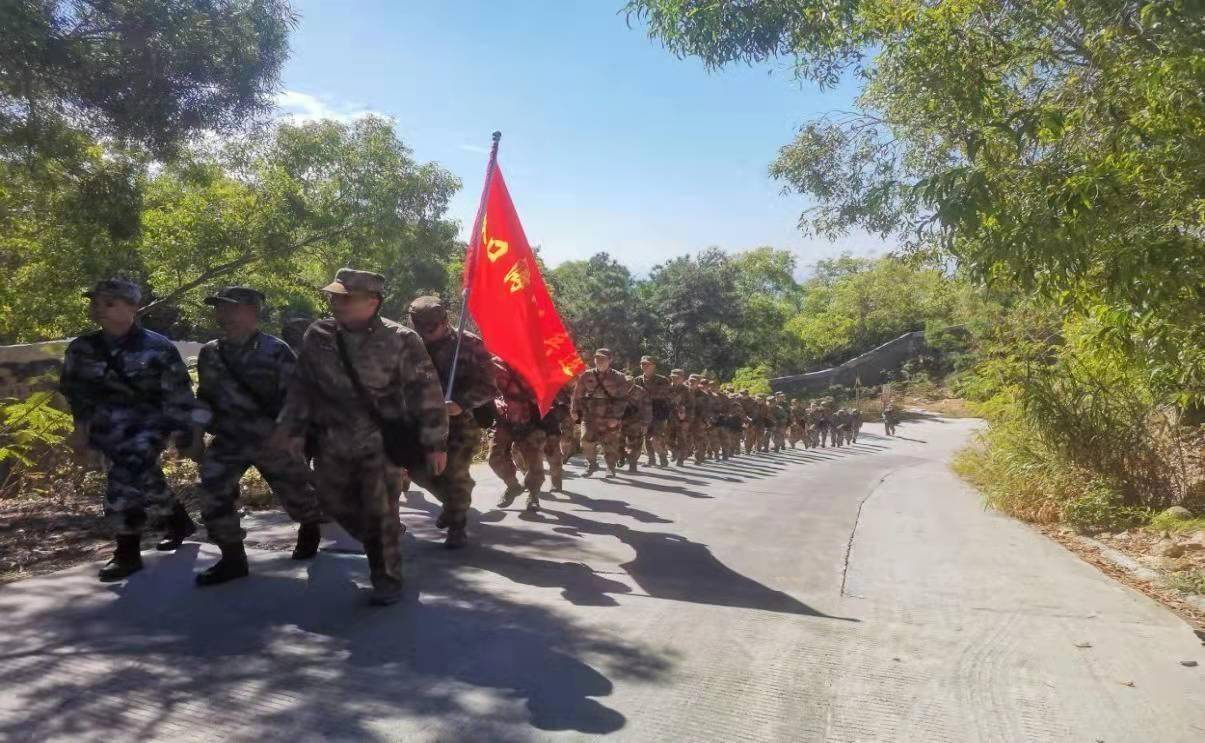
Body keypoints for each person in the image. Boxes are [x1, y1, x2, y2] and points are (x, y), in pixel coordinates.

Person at [274, 268, 448, 606]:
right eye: (333, 296)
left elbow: (426, 392)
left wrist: (435, 442)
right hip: (331, 440)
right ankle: (379, 538)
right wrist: (290, 428)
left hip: (380, 441)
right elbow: (301, 386)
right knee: (330, 501)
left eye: (345, 297)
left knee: (380, 510)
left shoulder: (401, 339)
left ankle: (387, 577)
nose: (335, 302)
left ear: (372, 302)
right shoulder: (319, 334)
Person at [60, 278, 210, 582]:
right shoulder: (82, 348)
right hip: (107, 430)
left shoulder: (157, 346)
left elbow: (179, 395)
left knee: (123, 480)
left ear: (133, 307)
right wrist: (80, 432)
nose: (98, 308)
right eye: (95, 302)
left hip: (148, 429)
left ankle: (127, 553)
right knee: (146, 477)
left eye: (109, 303)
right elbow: (78, 396)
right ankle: (178, 520)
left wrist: (189, 438)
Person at [192, 287, 324, 586]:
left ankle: (310, 524)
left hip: (273, 440)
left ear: (253, 311)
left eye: (231, 308)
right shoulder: (210, 352)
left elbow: (297, 398)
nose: (223, 315)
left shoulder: (275, 350)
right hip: (229, 439)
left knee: (298, 496)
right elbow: (203, 398)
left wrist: (288, 435)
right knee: (213, 491)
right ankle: (233, 558)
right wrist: (196, 435)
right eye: (220, 309)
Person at [407, 295, 497, 549]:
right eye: (420, 328)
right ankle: (452, 502)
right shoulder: (410, 345)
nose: (427, 334)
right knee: (418, 469)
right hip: (423, 422)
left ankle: (457, 525)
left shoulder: (468, 344)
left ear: (445, 321)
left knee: (455, 473)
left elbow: (490, 386)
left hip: (462, 424)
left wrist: (461, 402)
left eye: (431, 328)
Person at [489, 356, 546, 511]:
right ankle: (513, 486)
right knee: (495, 459)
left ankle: (533, 496)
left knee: (535, 463)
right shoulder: (493, 364)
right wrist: (495, 401)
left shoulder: (534, 366)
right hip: (504, 421)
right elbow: (486, 389)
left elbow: (546, 392)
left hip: (529, 421)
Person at [571, 348, 630, 478]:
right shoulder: (586, 375)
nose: (599, 361)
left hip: (609, 415)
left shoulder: (619, 377)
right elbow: (577, 394)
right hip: (590, 415)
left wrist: (616, 417)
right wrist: (574, 410)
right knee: (585, 440)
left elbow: (623, 399)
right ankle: (591, 464)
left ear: (610, 360)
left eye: (603, 358)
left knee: (610, 443)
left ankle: (610, 467)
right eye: (597, 358)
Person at [634, 356, 672, 467]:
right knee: (646, 436)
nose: (644, 366)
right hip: (643, 413)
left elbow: (665, 396)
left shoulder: (662, 380)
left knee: (655, 438)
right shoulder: (637, 380)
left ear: (653, 366)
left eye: (647, 364)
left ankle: (662, 457)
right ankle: (651, 459)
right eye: (642, 364)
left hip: (658, 413)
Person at [617, 375, 652, 473]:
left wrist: (645, 424)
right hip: (621, 421)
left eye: (628, 383)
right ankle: (621, 457)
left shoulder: (641, 391)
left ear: (633, 383)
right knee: (618, 442)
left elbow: (647, 408)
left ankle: (633, 464)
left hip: (636, 422)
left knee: (635, 444)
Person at [667, 368, 692, 465]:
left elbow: (691, 406)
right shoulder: (667, 388)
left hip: (682, 419)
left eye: (677, 378)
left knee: (682, 439)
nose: (674, 379)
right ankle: (674, 451)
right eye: (673, 377)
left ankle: (680, 459)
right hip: (670, 418)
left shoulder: (687, 390)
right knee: (668, 439)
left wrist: (687, 419)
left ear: (682, 378)